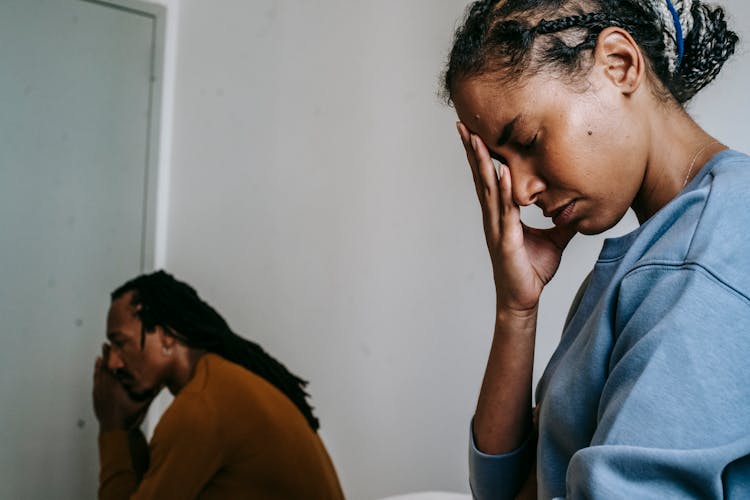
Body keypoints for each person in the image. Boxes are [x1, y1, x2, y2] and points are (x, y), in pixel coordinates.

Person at [442, 0, 750, 498]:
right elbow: (505, 490)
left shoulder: (705, 255)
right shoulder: (653, 252)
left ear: (619, 65)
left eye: (527, 139)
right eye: (501, 162)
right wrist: (516, 309)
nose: (519, 192)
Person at [92, 270, 345, 499]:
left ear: (166, 336)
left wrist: (112, 428)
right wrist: (128, 432)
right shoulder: (220, 383)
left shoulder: (201, 407)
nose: (113, 362)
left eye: (120, 342)